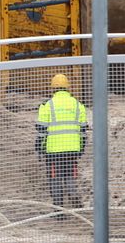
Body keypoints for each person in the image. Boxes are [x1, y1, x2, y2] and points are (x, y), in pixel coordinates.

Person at [36, 74, 89, 215]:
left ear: (52, 88)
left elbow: (41, 130)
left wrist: (40, 148)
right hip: (72, 149)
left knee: (55, 177)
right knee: (70, 173)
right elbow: (83, 130)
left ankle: (59, 209)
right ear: (67, 87)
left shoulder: (47, 105)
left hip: (53, 150)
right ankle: (72, 193)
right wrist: (81, 147)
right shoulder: (78, 105)